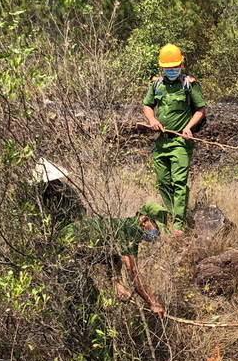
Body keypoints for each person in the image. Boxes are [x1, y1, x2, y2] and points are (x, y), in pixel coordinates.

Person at [58, 203, 167, 318]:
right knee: (88, 304)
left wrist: (118, 284)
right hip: (66, 246)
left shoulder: (123, 230)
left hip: (70, 249)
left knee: (90, 303)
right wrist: (153, 303)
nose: (157, 233)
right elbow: (134, 273)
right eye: (156, 228)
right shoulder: (130, 231)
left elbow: (114, 261)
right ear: (145, 220)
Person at [143, 43, 206, 237]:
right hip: (162, 142)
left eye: (175, 67)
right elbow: (147, 105)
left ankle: (178, 224)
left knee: (179, 183)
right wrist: (152, 119)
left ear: (181, 65)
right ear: (162, 68)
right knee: (163, 183)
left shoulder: (189, 84)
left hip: (180, 142)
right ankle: (172, 214)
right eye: (167, 68)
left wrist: (188, 127)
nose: (171, 71)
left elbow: (200, 109)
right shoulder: (156, 84)